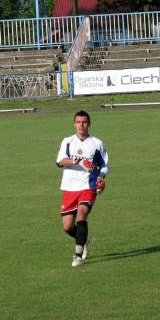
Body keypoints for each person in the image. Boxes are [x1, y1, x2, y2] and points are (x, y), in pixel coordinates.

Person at [56, 110, 109, 266]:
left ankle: (77, 256)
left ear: (89, 124)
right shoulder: (67, 141)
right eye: (78, 122)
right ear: (74, 124)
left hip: (88, 186)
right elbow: (59, 161)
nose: (81, 125)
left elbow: (104, 165)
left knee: (82, 214)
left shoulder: (97, 143)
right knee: (67, 227)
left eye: (84, 122)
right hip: (69, 187)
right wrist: (79, 162)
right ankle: (84, 238)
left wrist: (101, 177)